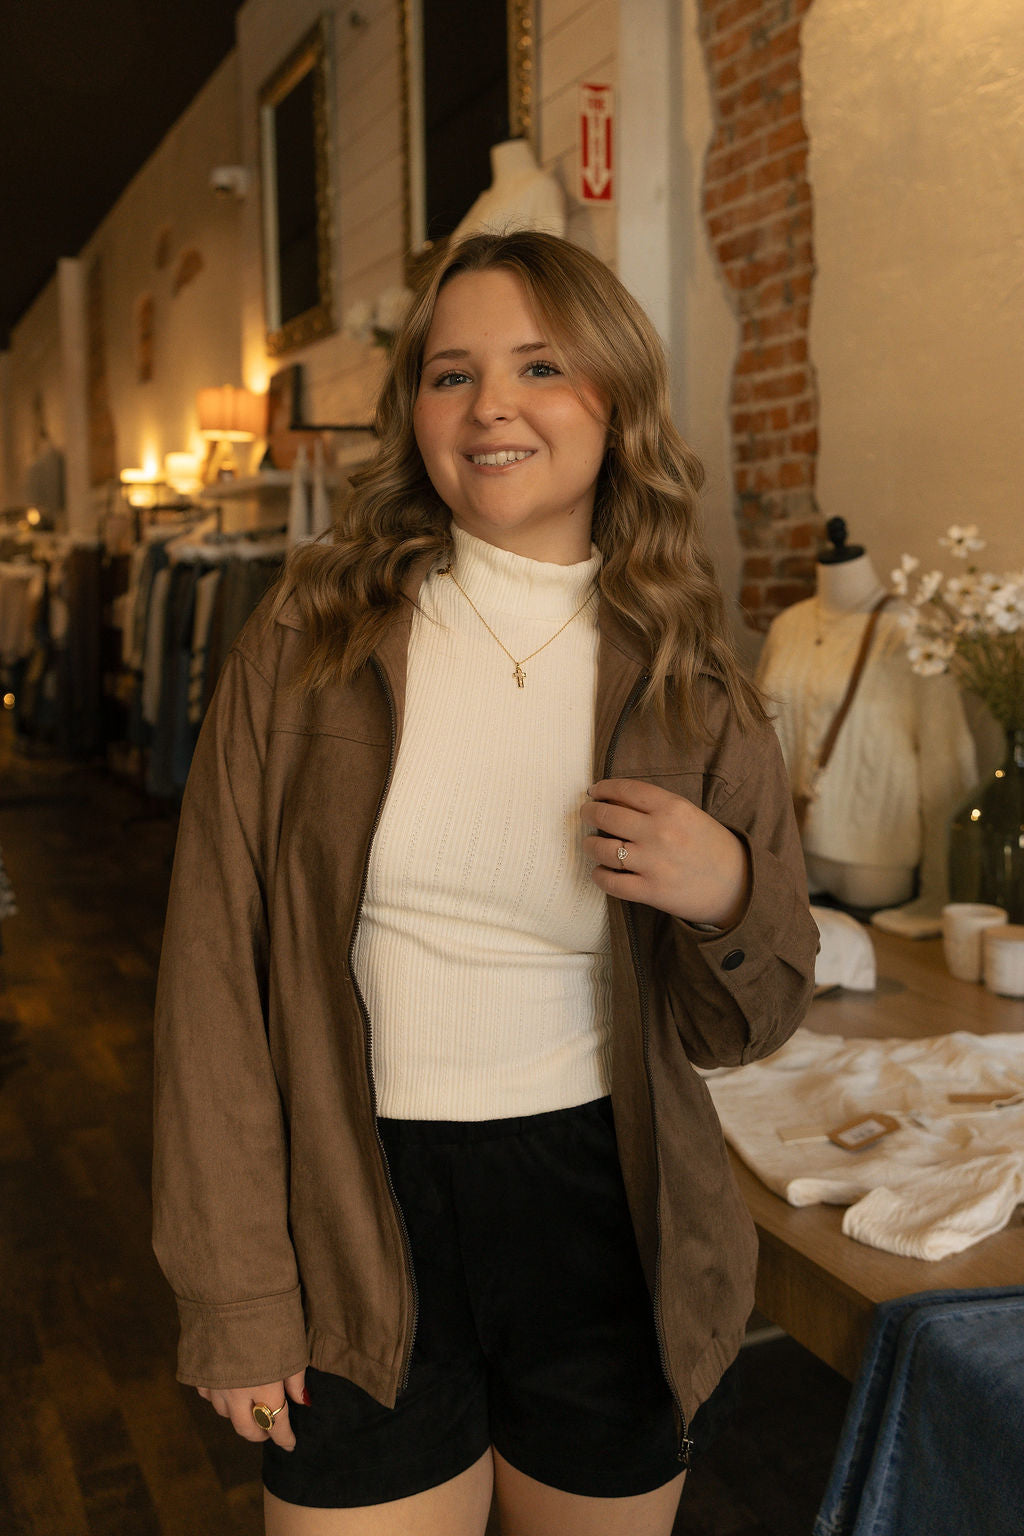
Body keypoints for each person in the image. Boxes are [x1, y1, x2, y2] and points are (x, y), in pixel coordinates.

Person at [152, 230, 818, 1536]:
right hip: (355, 1212)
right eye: (451, 374)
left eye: (540, 366)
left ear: (616, 401)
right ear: (417, 416)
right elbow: (211, 980)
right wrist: (234, 1294)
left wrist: (727, 890)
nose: (491, 405)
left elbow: (747, 1024)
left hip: (608, 1221)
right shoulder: (308, 639)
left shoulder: (691, 678)